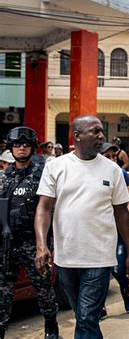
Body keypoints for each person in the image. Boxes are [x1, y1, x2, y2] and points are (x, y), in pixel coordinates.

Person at [34, 115, 129, 339]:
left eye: (101, 131)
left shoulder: (112, 170)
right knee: (83, 316)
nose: (101, 136)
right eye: (94, 131)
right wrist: (42, 245)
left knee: (87, 317)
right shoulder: (57, 166)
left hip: (100, 258)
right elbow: (43, 209)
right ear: (77, 136)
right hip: (66, 258)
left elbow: (121, 212)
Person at [0, 127, 59, 339]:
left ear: (33, 147)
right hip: (8, 243)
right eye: (17, 145)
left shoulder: (43, 174)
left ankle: (51, 327)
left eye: (25, 145)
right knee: (3, 291)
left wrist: (45, 243)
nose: (21, 148)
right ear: (11, 148)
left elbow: (50, 208)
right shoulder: (4, 177)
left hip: (34, 243)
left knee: (43, 289)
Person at [100, 142, 129, 316]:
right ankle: (99, 306)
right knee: (99, 270)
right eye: (108, 157)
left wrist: (128, 223)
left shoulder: (121, 173)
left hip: (118, 230)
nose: (112, 160)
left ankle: (125, 292)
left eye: (114, 156)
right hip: (98, 231)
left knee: (119, 268)